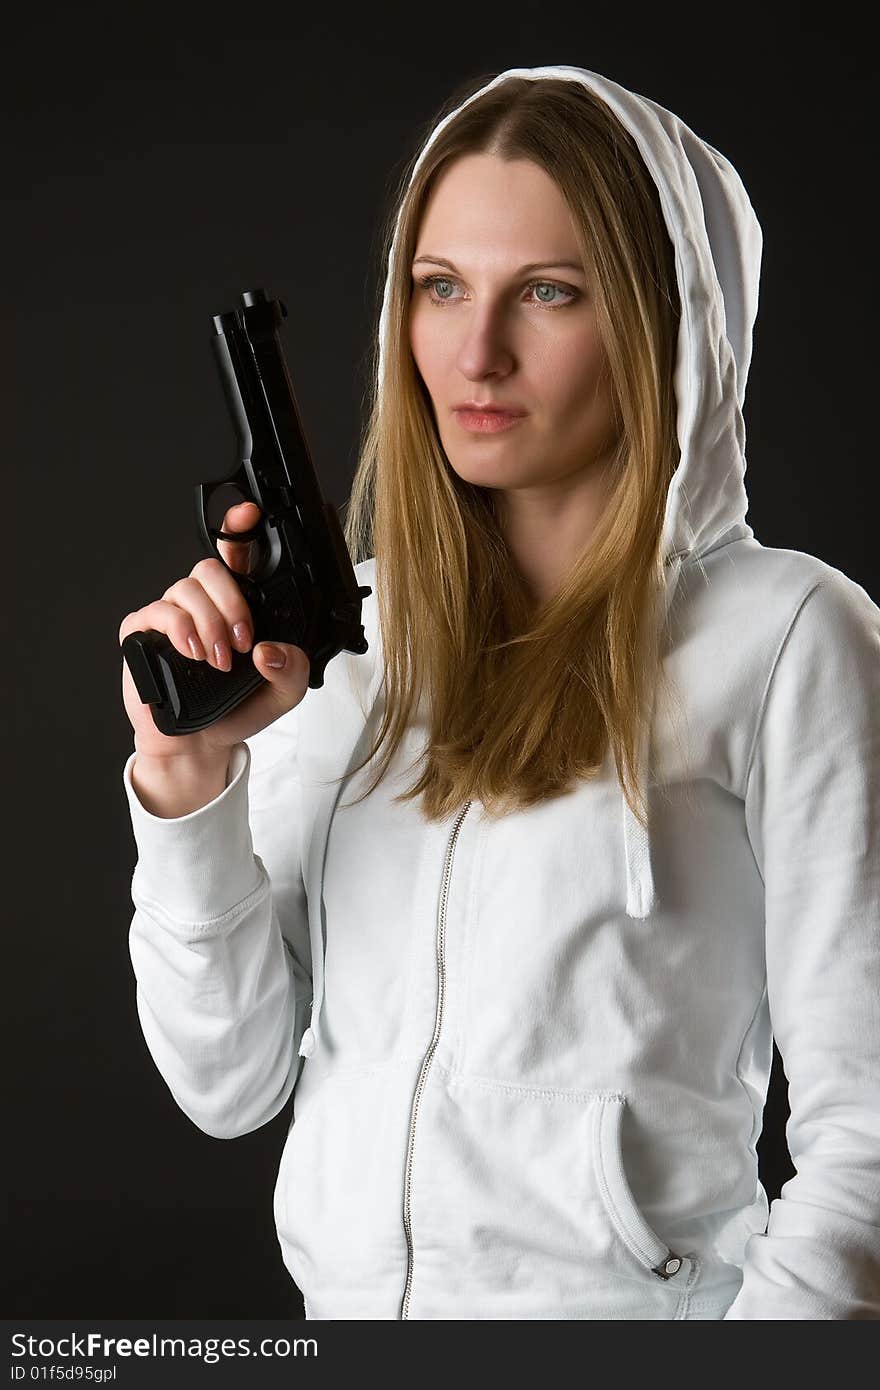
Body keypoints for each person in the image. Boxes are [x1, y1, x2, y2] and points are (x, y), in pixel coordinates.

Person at [118, 65, 880, 1320]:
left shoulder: (791, 639)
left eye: (547, 291)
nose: (475, 351)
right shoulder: (343, 645)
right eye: (440, 288)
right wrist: (185, 785)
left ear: (658, 319)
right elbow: (229, 1083)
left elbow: (865, 1144)